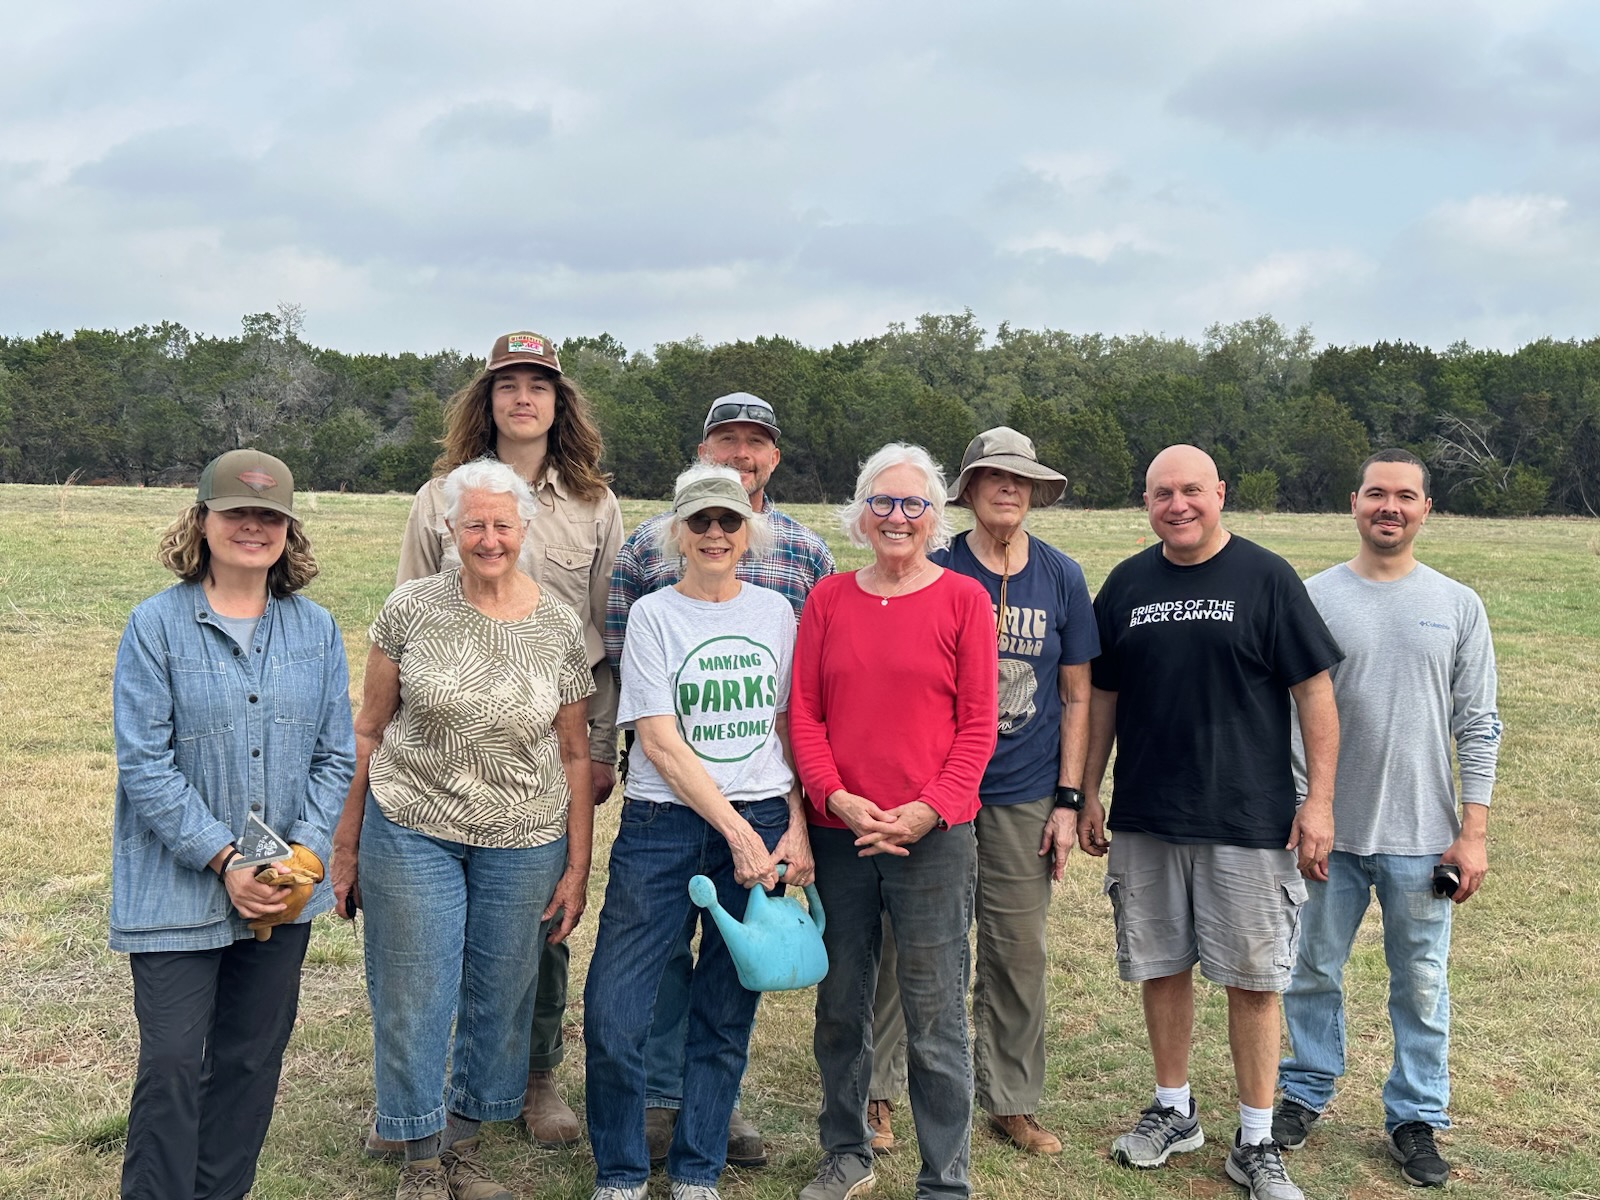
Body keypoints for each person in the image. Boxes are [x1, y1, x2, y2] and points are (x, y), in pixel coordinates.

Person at [378, 330, 621, 1152]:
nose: (524, 398)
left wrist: (600, 747)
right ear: (486, 400)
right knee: (432, 937)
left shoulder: (594, 503)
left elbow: (604, 633)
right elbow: (405, 622)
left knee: (536, 924)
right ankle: (426, 1098)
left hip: (552, 741)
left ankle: (533, 1073)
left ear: (560, 402)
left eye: (539, 385)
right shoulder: (436, 496)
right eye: (508, 384)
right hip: (442, 750)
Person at [1081, 444, 1343, 1200]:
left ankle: (1256, 1141)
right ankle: (1174, 1109)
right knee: (1160, 966)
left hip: (1249, 821)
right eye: (1163, 493)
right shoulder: (1127, 583)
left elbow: (1315, 694)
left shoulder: (1266, 577)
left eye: (1192, 490)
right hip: (1147, 816)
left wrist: (1318, 801)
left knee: (1253, 982)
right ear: (1147, 502)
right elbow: (1101, 698)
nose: (1178, 505)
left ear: (1220, 493)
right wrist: (1089, 790)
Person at [331, 459, 596, 1200]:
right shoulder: (410, 608)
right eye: (473, 524)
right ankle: (419, 1163)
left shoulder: (556, 623)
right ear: (450, 529)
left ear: (524, 529)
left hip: (525, 836)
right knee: (415, 989)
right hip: (414, 822)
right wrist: (346, 845)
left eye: (501, 525)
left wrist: (578, 866)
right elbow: (369, 731)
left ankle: (464, 1150)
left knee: (501, 991)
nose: (488, 539)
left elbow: (575, 751)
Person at [110, 449, 355, 1200]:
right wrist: (224, 859)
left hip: (283, 895)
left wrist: (304, 857)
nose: (254, 526)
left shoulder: (315, 630)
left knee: (251, 1061)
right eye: (237, 512)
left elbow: (335, 758)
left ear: (288, 528)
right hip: (178, 889)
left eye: (270, 515)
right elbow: (144, 761)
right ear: (203, 520)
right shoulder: (155, 626)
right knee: (175, 1062)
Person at [604, 391, 833, 1166]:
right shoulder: (650, 599)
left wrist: (793, 823)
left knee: (728, 997)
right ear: (679, 530)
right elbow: (654, 729)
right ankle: (633, 1148)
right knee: (623, 1000)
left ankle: (700, 1154)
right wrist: (739, 831)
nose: (713, 532)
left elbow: (789, 721)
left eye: (727, 521)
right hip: (668, 817)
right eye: (699, 521)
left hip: (765, 808)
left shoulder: (785, 600)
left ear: (748, 530)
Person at [1273, 450, 1501, 1189]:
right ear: (1354, 502)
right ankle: (1304, 1092)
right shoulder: (1314, 598)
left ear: (1426, 509)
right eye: (1377, 493)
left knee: (1422, 984)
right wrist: (1309, 807)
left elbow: (1479, 723)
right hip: (1328, 833)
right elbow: (1289, 717)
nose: (1389, 507)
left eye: (1405, 496)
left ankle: (1415, 1116)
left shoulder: (1458, 604)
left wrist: (1473, 831)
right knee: (1310, 970)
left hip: (1423, 838)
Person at [789, 443, 998, 1200]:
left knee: (935, 1008)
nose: (897, 517)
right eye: (882, 502)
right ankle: (845, 1151)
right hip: (840, 835)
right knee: (841, 1002)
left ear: (935, 516)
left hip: (933, 841)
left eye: (913, 504)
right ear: (860, 513)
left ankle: (945, 1176)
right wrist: (836, 799)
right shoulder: (829, 600)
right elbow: (804, 716)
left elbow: (978, 725)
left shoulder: (964, 601)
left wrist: (927, 809)